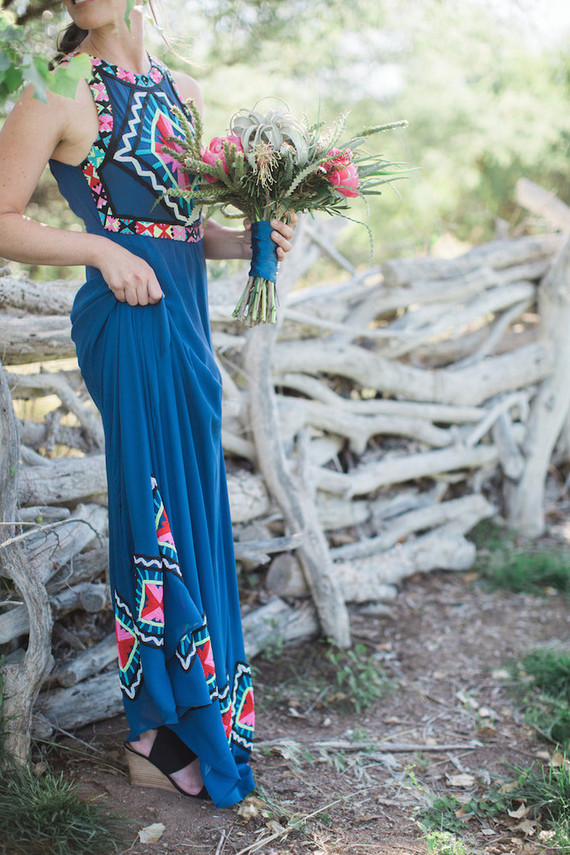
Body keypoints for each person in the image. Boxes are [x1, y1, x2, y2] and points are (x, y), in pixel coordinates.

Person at [0, 0, 296, 808]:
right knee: (152, 503)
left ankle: (193, 711)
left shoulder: (184, 90)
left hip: (188, 322)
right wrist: (99, 247)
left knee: (194, 504)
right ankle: (153, 732)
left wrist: (244, 240)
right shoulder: (50, 87)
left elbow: (178, 225)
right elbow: (2, 219)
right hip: (126, 323)